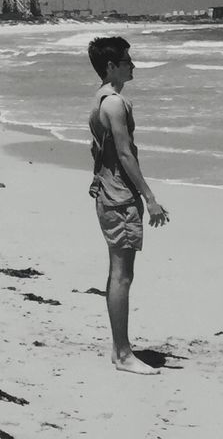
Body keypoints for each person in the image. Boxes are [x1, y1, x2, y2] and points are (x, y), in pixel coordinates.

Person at [87, 36, 170, 374]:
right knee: (122, 275)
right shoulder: (114, 104)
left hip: (110, 193)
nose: (132, 65)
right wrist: (150, 198)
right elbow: (123, 153)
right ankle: (122, 354)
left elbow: (102, 150)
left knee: (118, 272)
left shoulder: (102, 100)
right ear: (111, 66)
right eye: (126, 60)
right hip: (119, 197)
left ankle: (118, 349)